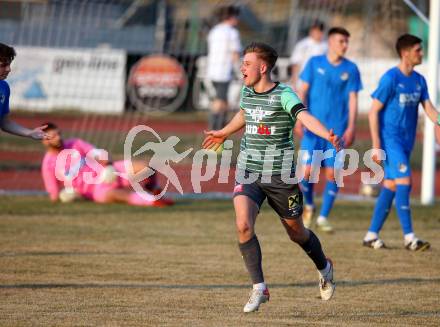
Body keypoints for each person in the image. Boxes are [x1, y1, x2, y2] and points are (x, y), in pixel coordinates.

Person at [203, 42, 340, 313]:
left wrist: (327, 135)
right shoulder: (246, 91)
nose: (242, 68)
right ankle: (259, 288)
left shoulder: (284, 94)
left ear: (262, 68)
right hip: (249, 170)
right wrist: (224, 132)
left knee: (296, 232)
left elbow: (304, 116)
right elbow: (245, 113)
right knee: (243, 225)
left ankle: (324, 267)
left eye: (247, 64)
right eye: (242, 63)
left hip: (280, 176)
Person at [363, 34, 440, 251]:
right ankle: (410, 238)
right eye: (418, 50)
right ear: (405, 53)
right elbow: (372, 112)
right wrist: (376, 145)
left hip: (407, 142)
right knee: (405, 182)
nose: (422, 53)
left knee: (390, 185)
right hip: (390, 141)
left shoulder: (419, 80)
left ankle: (371, 235)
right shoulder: (391, 78)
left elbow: (430, 110)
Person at [297, 27, 362, 232]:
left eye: (346, 42)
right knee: (306, 172)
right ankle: (309, 205)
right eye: (342, 41)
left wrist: (352, 126)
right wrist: (300, 118)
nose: (345, 45)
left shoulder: (351, 68)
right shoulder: (314, 63)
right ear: (331, 42)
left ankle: (323, 217)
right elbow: (302, 91)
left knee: (333, 174)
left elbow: (353, 99)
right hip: (312, 129)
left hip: (338, 131)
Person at [41, 123, 173, 207]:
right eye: (53, 136)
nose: (58, 138)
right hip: (94, 190)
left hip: (109, 172)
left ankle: (153, 189)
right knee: (118, 195)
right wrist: (67, 195)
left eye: (58, 134)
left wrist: (109, 166)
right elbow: (54, 195)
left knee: (147, 166)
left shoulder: (75, 143)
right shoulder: (48, 165)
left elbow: (99, 153)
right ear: (44, 141)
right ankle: (153, 201)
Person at [0, 43, 49, 140]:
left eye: (9, 64)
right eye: (3, 65)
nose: (8, 69)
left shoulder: (4, 87)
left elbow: (4, 122)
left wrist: (30, 133)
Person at [206, 5, 242, 130]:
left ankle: (221, 126)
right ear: (231, 17)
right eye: (236, 16)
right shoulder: (232, 32)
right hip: (223, 71)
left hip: (212, 70)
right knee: (219, 101)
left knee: (223, 100)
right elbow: (235, 54)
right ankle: (214, 128)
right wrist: (241, 71)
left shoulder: (214, 30)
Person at [290, 20, 327, 91]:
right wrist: (294, 83)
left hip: (320, 82)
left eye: (320, 30)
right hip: (303, 81)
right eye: (315, 30)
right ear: (311, 31)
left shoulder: (326, 46)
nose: (318, 33)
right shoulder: (303, 45)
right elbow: (296, 64)